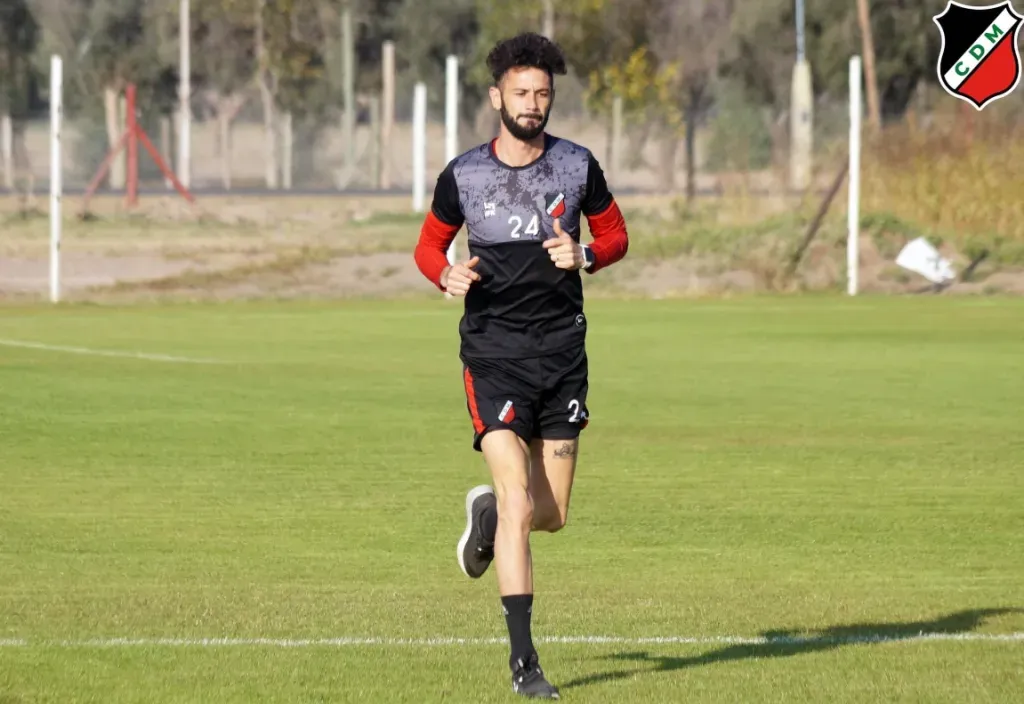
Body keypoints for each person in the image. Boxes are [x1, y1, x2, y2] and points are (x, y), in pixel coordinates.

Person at [413, 31, 629, 699]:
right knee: (516, 500)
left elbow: (616, 234)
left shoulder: (577, 165)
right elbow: (427, 246)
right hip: (493, 355)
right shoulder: (465, 174)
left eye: (542, 93)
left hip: (562, 355)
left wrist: (586, 256)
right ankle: (524, 664)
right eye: (521, 92)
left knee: (551, 513)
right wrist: (442, 276)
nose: (533, 104)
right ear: (496, 97)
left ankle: (487, 519)